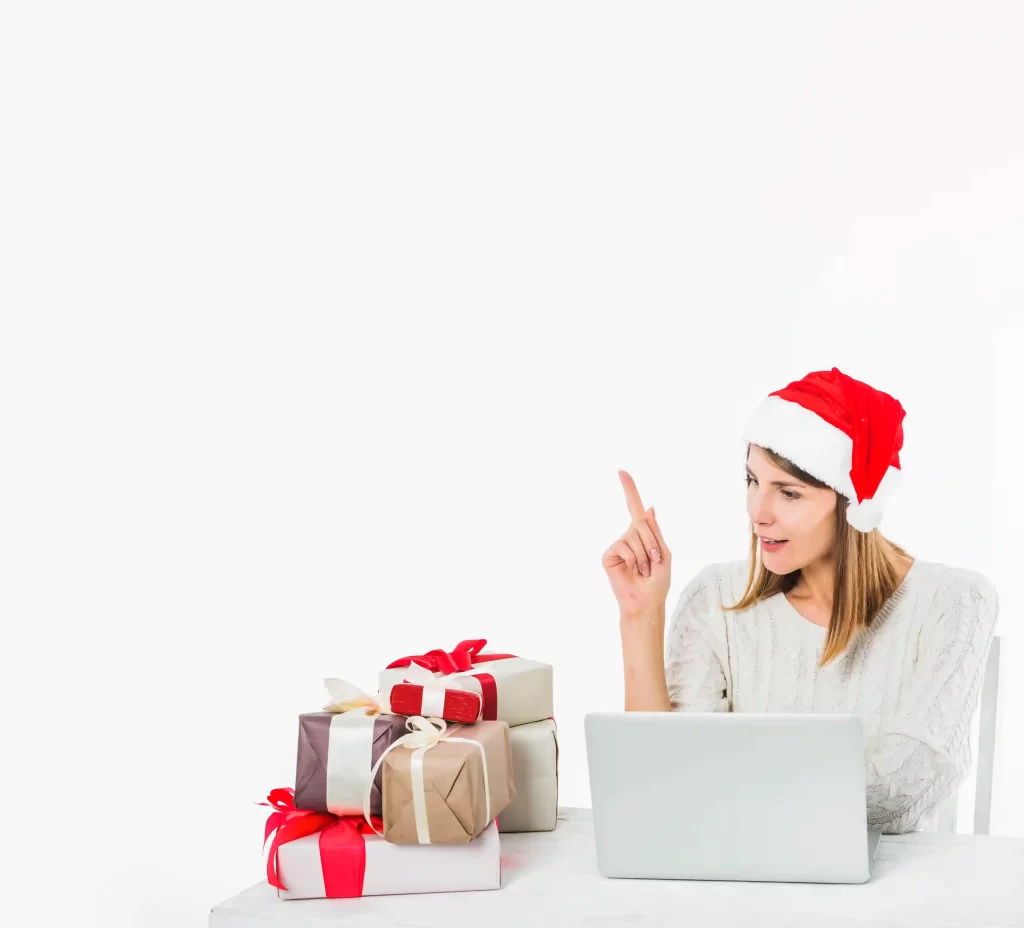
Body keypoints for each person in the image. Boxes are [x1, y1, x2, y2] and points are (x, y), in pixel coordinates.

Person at [602, 366, 1000, 835]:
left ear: (854, 504)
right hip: (741, 889)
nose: (757, 512)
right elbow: (663, 784)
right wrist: (640, 614)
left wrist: (721, 793)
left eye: (788, 493)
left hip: (890, 896)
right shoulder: (716, 600)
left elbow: (901, 794)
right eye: (752, 481)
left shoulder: (954, 603)